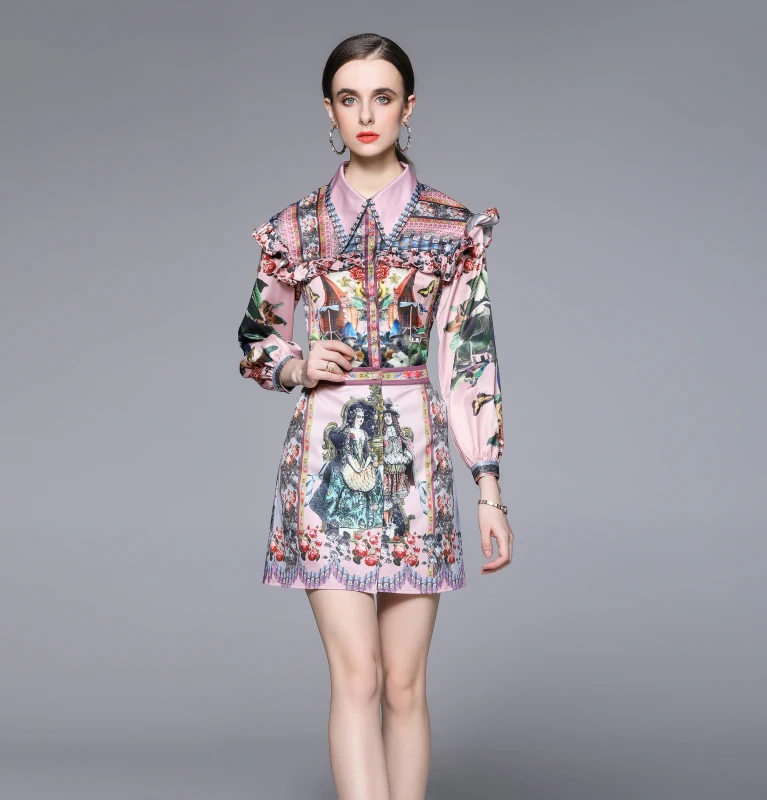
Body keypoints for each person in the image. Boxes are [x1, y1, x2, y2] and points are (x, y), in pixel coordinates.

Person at [237, 32, 515, 800]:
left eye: (382, 97)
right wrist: (297, 365)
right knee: (356, 676)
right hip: (325, 473)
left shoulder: (450, 227)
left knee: (403, 683)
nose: (366, 115)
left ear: (408, 107)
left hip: (416, 471)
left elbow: (471, 359)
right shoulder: (296, 228)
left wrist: (488, 487)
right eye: (349, 99)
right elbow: (257, 337)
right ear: (329, 110)